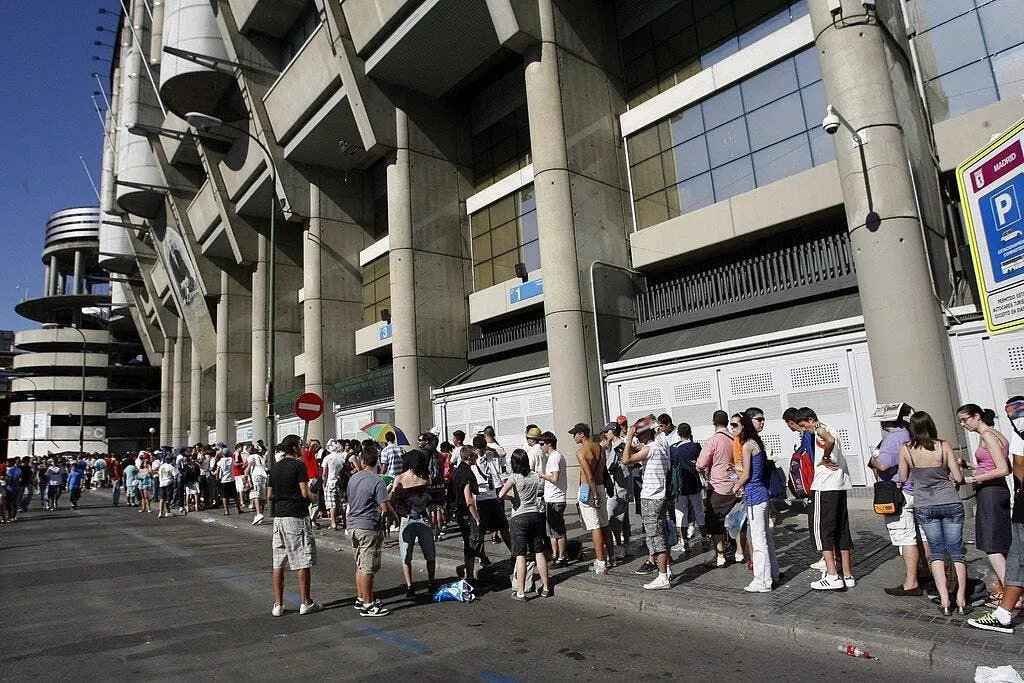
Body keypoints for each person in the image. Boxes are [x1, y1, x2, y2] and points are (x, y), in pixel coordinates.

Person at [899, 411, 968, 616]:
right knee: (957, 551)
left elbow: (903, 477)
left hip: (925, 505)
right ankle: (962, 600)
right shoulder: (942, 445)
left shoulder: (906, 449)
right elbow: (957, 477)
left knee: (937, 552)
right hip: (950, 502)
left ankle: (945, 601)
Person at [970, 396, 1024, 633]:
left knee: (1013, 554)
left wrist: (973, 478)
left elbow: (1013, 466)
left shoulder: (1011, 431)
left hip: (998, 494)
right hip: (1002, 493)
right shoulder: (1000, 433)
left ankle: (1005, 610)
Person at [868, 403, 929, 597]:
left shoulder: (893, 439)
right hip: (918, 490)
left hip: (899, 492)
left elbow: (883, 465)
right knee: (922, 535)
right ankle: (927, 571)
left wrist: (871, 461)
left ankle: (911, 582)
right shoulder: (910, 433)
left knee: (906, 538)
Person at [797, 407, 855, 590]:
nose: (804, 430)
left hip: (825, 485)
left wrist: (825, 456)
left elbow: (827, 440)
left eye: (804, 425)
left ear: (810, 420)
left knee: (823, 530)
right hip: (839, 484)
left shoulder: (820, 429)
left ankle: (832, 574)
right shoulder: (831, 427)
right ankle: (847, 574)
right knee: (841, 529)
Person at [958, 403, 1012, 596]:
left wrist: (972, 478)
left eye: (965, 420)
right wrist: (971, 465)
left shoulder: (987, 435)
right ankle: (1010, 588)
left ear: (977, 416)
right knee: (1000, 542)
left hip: (990, 492)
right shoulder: (997, 434)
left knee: (990, 544)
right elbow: (996, 464)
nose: (964, 424)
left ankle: (1012, 594)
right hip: (998, 490)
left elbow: (1003, 469)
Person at [269, 434, 321, 617]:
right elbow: (305, 492)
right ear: (294, 448)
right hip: (296, 515)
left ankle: (278, 604)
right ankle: (306, 602)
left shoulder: (275, 467)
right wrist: (314, 497)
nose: (302, 447)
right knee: (302, 559)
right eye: (300, 445)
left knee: (278, 562)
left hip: (279, 517)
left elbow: (269, 495)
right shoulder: (299, 465)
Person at [622, 416, 673, 590]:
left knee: (655, 537)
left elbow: (626, 460)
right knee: (661, 534)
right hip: (661, 495)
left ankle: (662, 576)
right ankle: (666, 569)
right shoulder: (661, 445)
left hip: (652, 496)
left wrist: (628, 440)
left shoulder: (650, 448)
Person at [348, 448, 398, 617]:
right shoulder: (377, 481)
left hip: (353, 525)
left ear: (362, 462)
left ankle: (361, 598)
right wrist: (395, 516)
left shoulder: (353, 478)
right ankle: (368, 605)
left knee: (360, 564)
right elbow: (384, 506)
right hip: (369, 525)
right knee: (368, 568)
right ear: (376, 462)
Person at [734, 411, 779, 593]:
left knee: (759, 541)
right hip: (761, 494)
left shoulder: (747, 445)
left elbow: (746, 475)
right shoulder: (755, 443)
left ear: (744, 425)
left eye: (736, 425)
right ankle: (772, 574)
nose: (733, 428)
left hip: (754, 495)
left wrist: (736, 486)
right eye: (759, 419)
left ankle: (762, 581)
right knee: (766, 538)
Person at [499, 449, 552, 600]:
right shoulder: (535, 475)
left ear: (514, 463)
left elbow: (501, 494)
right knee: (539, 552)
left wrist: (513, 498)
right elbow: (541, 489)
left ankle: (521, 592)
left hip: (519, 516)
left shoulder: (514, 477)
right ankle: (546, 587)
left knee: (520, 555)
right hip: (535, 514)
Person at [392, 449, 437, 598]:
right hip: (423, 517)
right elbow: (432, 498)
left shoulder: (399, 478)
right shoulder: (425, 479)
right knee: (429, 553)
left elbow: (393, 497)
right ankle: (431, 582)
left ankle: (410, 586)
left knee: (406, 555)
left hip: (407, 519)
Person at [697, 410, 736, 568]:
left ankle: (720, 556)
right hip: (735, 485)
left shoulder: (713, 441)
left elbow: (701, 464)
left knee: (716, 522)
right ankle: (736, 551)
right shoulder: (734, 439)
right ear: (727, 422)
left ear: (713, 422)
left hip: (718, 486)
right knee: (734, 520)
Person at [571, 423, 612, 573]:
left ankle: (600, 562)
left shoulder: (582, 452)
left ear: (582, 434)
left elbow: (589, 476)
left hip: (589, 490)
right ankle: (611, 556)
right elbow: (602, 470)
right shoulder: (600, 448)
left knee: (594, 525)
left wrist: (594, 495)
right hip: (600, 486)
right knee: (604, 523)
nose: (574, 437)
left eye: (575, 434)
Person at [452, 446, 490, 582]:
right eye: (474, 456)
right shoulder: (466, 474)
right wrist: (476, 517)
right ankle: (470, 576)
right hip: (467, 513)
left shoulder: (456, 472)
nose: (476, 458)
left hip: (459, 512)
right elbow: (469, 499)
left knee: (468, 544)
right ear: (469, 458)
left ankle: (469, 575)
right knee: (473, 544)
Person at [471, 434, 512, 551]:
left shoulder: (488, 453)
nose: (482, 451)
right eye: (480, 448)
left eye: (483, 448)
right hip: (480, 497)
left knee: (503, 525)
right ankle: (481, 555)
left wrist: (489, 448)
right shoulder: (473, 457)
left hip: (493, 495)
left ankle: (514, 553)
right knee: (481, 530)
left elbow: (503, 453)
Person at [670, 423, 705, 554]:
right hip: (695, 484)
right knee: (699, 512)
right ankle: (705, 538)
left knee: (681, 515)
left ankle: (684, 542)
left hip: (680, 486)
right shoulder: (696, 447)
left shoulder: (674, 449)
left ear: (679, 434)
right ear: (690, 433)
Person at [601, 421, 633, 562]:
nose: (605, 434)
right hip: (625, 487)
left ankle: (619, 546)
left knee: (612, 518)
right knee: (624, 518)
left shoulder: (618, 446)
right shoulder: (625, 445)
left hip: (617, 488)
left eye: (606, 432)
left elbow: (609, 466)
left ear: (612, 431)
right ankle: (626, 544)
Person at [537, 431, 568, 565]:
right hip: (551, 498)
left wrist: (543, 475)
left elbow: (555, 478)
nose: (541, 446)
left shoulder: (555, 457)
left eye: (542, 444)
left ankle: (561, 556)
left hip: (556, 498)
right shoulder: (552, 457)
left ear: (549, 443)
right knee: (551, 530)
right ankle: (555, 555)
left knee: (558, 530)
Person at [321, 439, 348, 531]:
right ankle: (345, 522)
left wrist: (323, 484)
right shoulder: (342, 458)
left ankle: (333, 523)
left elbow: (324, 473)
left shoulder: (327, 458)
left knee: (331, 504)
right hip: (340, 482)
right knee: (342, 503)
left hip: (330, 482)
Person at [247, 444, 270, 525]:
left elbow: (250, 464)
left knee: (255, 494)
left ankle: (258, 513)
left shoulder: (251, 456)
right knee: (262, 496)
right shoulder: (261, 457)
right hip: (264, 476)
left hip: (256, 476)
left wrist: (246, 471)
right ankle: (261, 514)